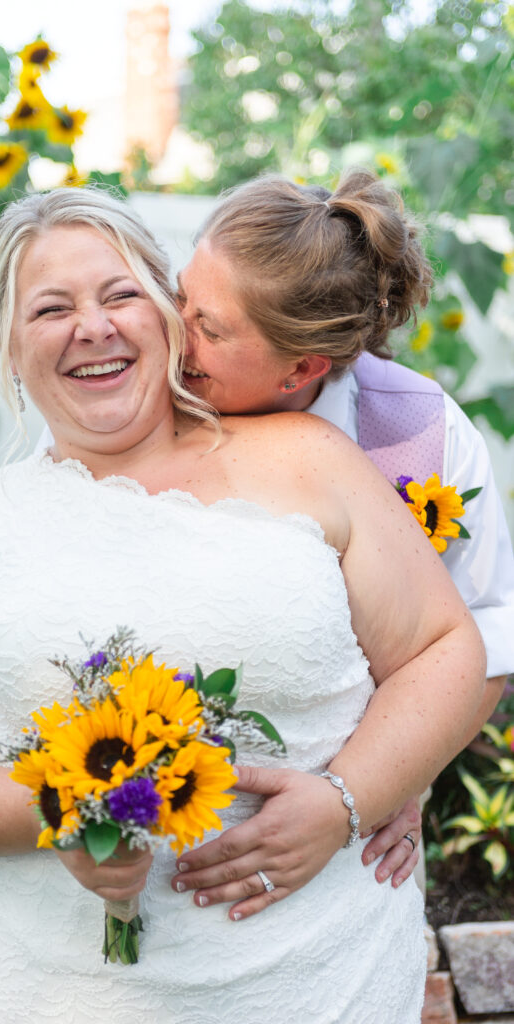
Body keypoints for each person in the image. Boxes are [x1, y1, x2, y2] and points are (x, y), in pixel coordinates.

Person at [0, 184, 487, 1024]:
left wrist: (350, 796)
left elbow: (445, 648)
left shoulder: (315, 459)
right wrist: (55, 810)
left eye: (118, 295)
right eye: (49, 308)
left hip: (319, 985)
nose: (93, 326)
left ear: (167, 313)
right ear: (8, 344)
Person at [29, 172, 514, 893]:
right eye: (181, 294)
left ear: (302, 369)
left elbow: (485, 633)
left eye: (209, 327)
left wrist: (386, 786)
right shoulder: (137, 397)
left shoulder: (417, 436)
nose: (173, 329)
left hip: (339, 833)